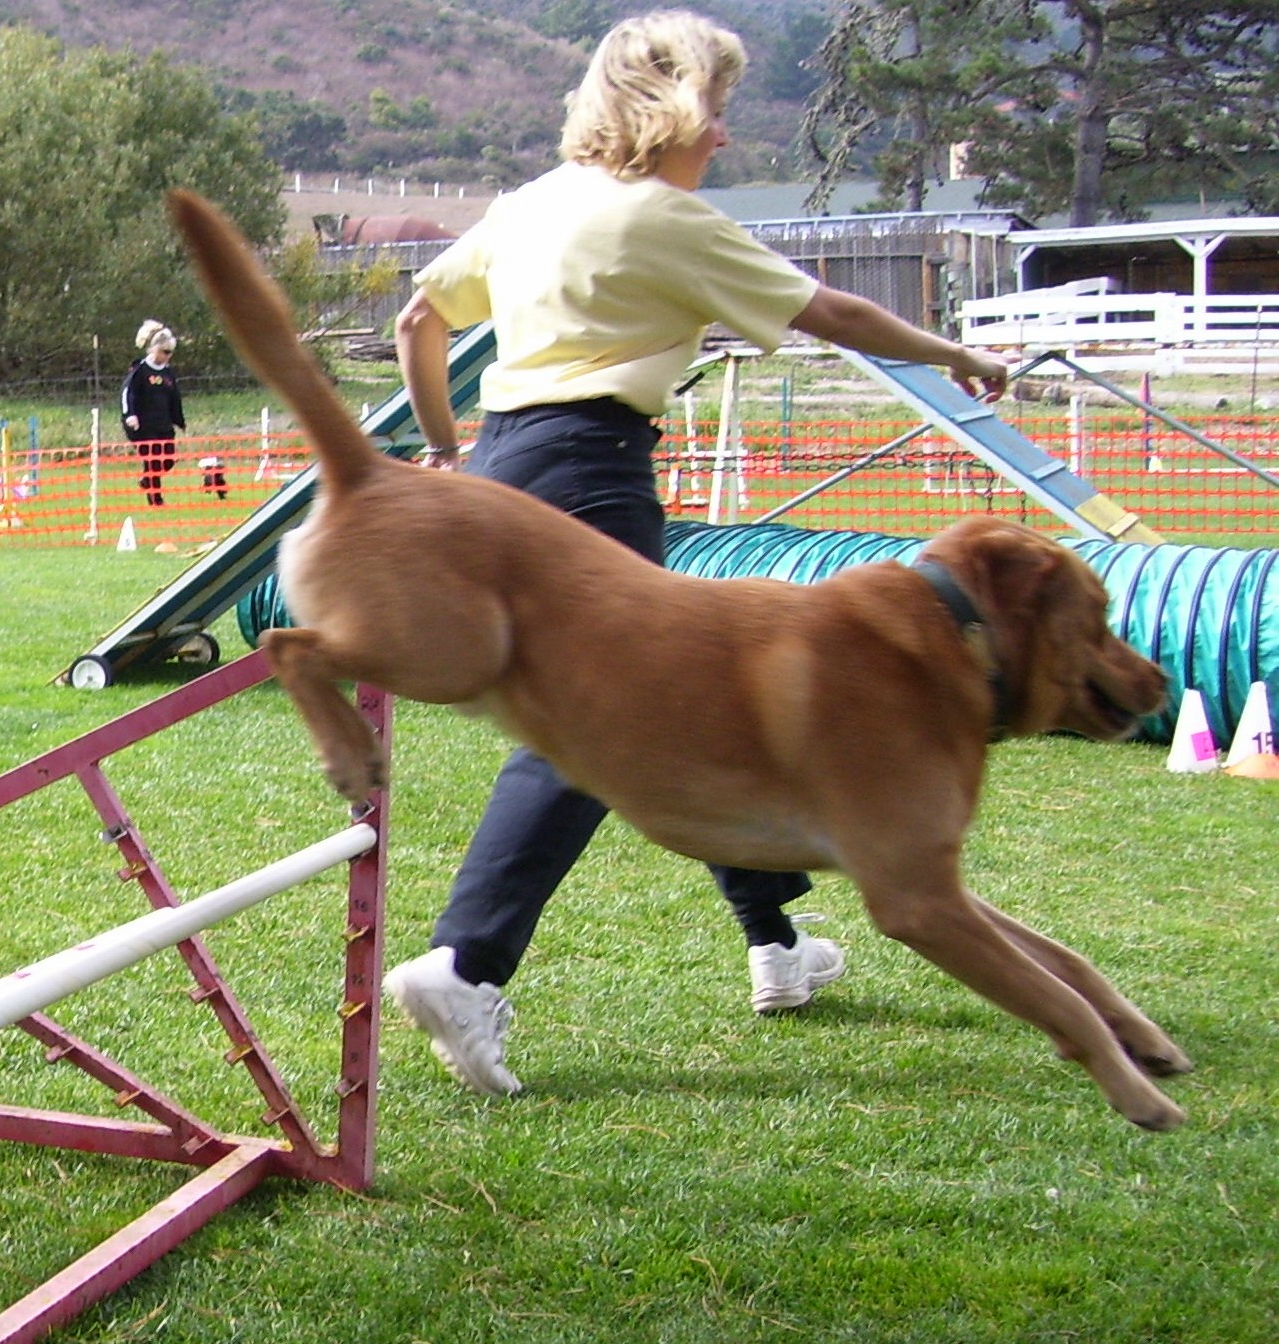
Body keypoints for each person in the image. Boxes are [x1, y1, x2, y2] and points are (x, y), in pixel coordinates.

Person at [384, 9, 1011, 1096]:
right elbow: (835, 311)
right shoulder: (664, 220)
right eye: (715, 110)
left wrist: (443, 451)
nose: (721, 135)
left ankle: (774, 941)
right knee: (592, 735)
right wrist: (953, 349)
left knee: (694, 701)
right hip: (591, 472)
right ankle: (464, 961)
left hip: (502, 475)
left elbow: (415, 325)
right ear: (668, 111)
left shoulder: (528, 207)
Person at [120, 319, 184, 508]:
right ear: (153, 348)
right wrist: (129, 415)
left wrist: (179, 420)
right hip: (143, 426)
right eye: (165, 351)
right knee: (152, 461)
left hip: (164, 425)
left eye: (170, 352)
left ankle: (146, 481)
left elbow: (174, 397)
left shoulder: (168, 373)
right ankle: (156, 500)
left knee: (168, 461)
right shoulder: (139, 370)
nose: (168, 356)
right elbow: (128, 393)